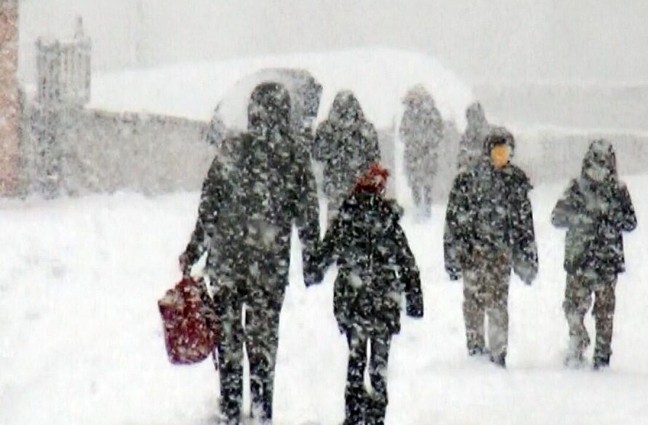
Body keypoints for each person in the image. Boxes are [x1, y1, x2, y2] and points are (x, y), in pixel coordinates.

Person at [179, 82, 322, 425]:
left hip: (227, 265)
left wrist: (194, 250)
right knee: (262, 344)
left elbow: (209, 207)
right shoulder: (293, 158)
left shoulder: (232, 149)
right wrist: (312, 259)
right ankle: (261, 412)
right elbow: (307, 214)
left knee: (228, 341)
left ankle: (230, 410)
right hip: (269, 267)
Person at [313, 163, 424, 425]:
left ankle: (353, 415)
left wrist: (313, 270)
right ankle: (376, 415)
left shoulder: (346, 218)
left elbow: (323, 255)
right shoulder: (388, 220)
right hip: (384, 302)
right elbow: (407, 262)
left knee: (356, 359)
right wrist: (414, 298)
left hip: (352, 302)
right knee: (379, 366)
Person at [443, 129, 538, 367]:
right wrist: (453, 254)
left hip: (500, 255)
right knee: (473, 301)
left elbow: (524, 225)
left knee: (497, 303)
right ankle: (475, 349)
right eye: (496, 153)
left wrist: (527, 257)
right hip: (473, 252)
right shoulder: (468, 181)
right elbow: (454, 221)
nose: (500, 158)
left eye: (505, 153)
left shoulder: (515, 183)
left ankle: (498, 353)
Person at [551, 139, 637, 370]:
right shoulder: (576, 188)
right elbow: (557, 217)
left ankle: (602, 356)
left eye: (604, 164)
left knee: (604, 313)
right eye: (595, 164)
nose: (599, 170)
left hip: (607, 261)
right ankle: (578, 342)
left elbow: (630, 222)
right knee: (572, 308)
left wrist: (610, 219)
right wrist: (581, 217)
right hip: (579, 260)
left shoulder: (618, 191)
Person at [312, 90, 381, 219]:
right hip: (359, 188)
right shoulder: (366, 130)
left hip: (337, 186)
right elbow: (375, 157)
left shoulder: (327, 129)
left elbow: (317, 153)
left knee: (335, 228)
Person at [399, 85, 443, 217]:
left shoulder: (431, 113)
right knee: (415, 182)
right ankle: (417, 206)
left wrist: (425, 142)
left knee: (427, 182)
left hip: (426, 153)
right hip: (414, 153)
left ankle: (426, 207)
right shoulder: (408, 114)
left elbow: (438, 131)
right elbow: (402, 132)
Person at [456, 101, 492, 172]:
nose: (473, 120)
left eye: (475, 116)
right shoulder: (466, 136)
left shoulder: (489, 134)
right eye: (471, 117)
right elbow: (462, 155)